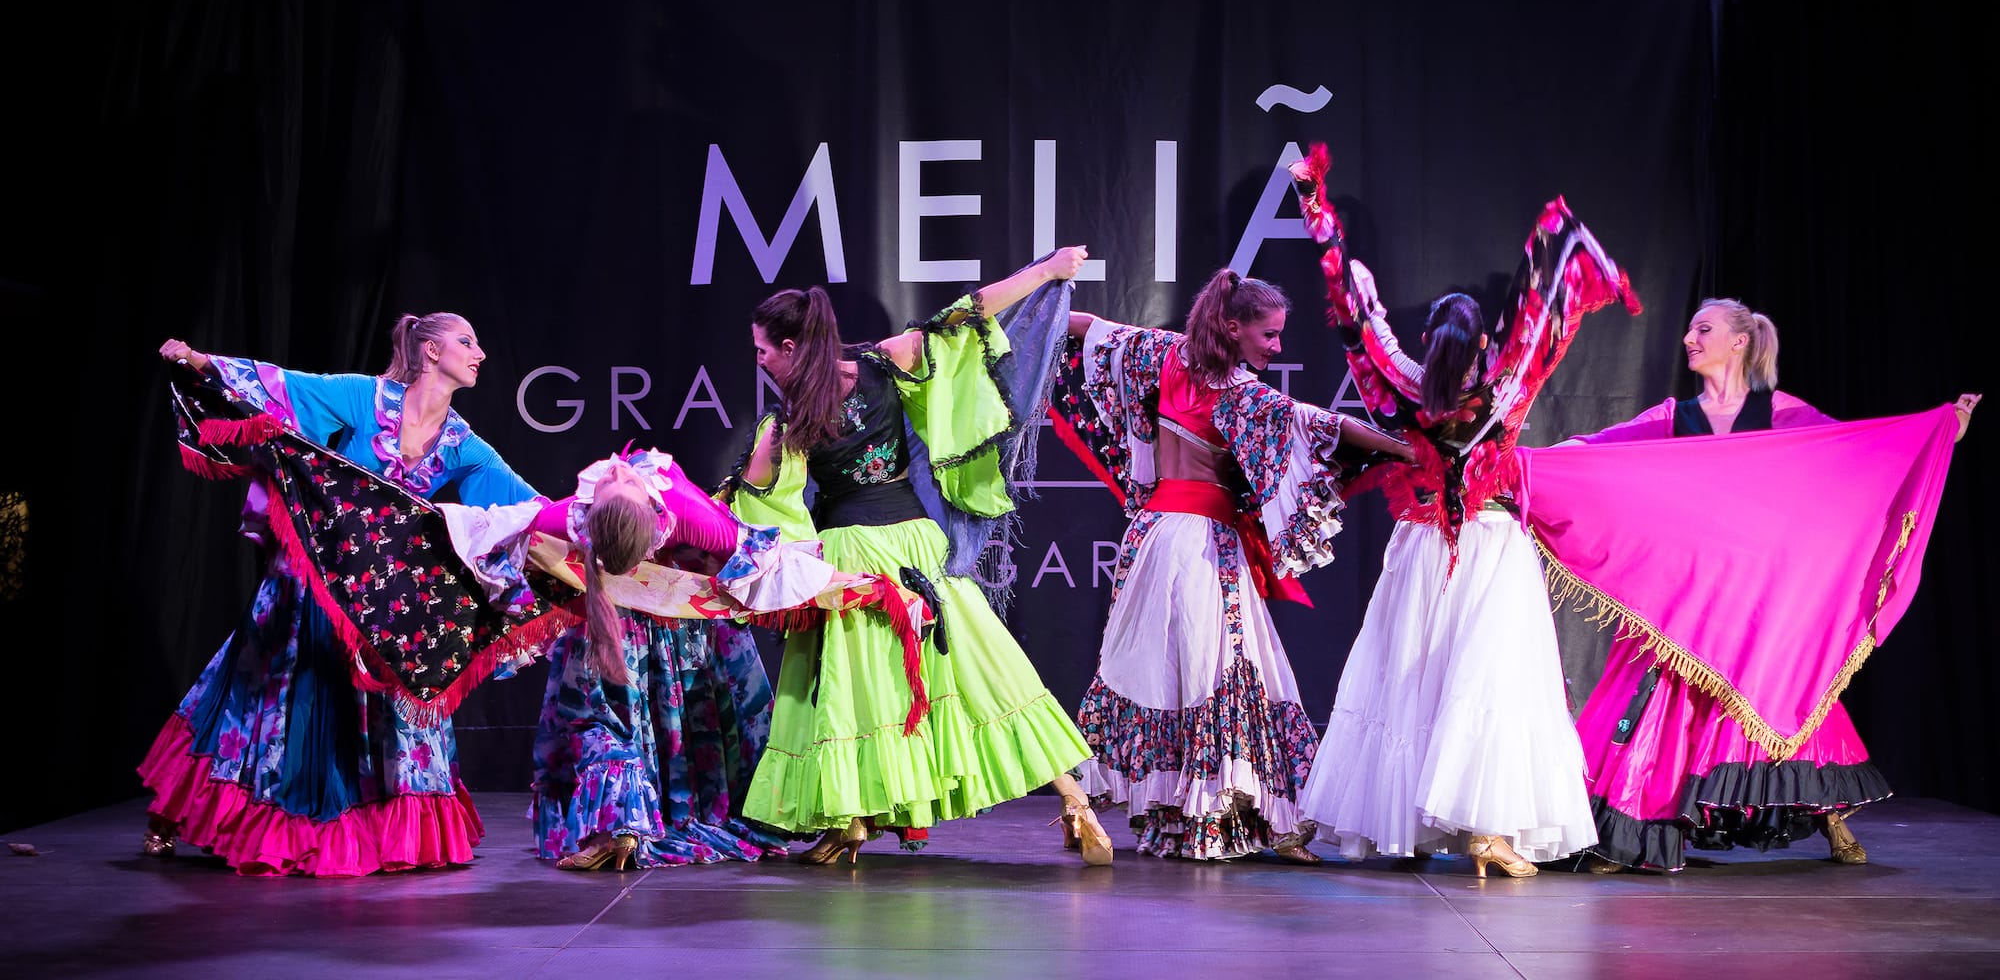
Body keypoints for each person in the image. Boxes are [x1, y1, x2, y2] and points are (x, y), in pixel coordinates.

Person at [1287, 145, 1635, 876]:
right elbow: (1540, 313)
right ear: (1482, 340)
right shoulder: (1508, 386)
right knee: (1490, 681)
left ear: (1427, 341)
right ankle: (1488, 832)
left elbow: (1354, 315)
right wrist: (1555, 240)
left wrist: (1317, 209)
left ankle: (1410, 826)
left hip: (1421, 550)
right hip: (1493, 547)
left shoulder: (1396, 384)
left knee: (1409, 684)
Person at [724, 247, 1114, 866]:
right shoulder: (883, 361)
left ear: (791, 348)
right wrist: (1047, 271)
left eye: (763, 350)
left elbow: (758, 512)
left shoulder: (787, 424)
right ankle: (1075, 800)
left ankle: (850, 822)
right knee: (982, 670)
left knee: (856, 692)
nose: (759, 361)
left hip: (853, 557)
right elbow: (969, 313)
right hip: (917, 542)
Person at [1561, 299, 1981, 871]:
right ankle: (1633, 830)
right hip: (1687, 588)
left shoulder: (1780, 412)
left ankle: (1829, 814)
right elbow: (1594, 450)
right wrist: (1535, 461)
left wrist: (1938, 432)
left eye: (1703, 329)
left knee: (1779, 694)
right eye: (1689, 329)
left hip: (1755, 591)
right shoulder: (1673, 416)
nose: (1689, 338)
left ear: (1739, 342)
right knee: (1661, 700)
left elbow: (1859, 451)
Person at [142, 313, 538, 876]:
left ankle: (377, 830)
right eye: (467, 342)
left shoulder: (461, 444)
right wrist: (200, 361)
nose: (480, 354)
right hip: (314, 580)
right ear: (431, 351)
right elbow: (283, 387)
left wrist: (601, 509)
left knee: (393, 705)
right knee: (265, 695)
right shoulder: (364, 399)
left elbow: (527, 506)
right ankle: (180, 812)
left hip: (384, 601)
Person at [1058, 270, 1412, 861]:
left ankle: (1101, 806)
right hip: (1199, 544)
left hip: (1151, 537)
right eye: (1268, 335)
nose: (1277, 346)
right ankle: (1235, 817)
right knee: (1221, 673)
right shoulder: (1241, 393)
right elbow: (1324, 426)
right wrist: (1405, 448)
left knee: (1155, 672)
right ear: (1231, 327)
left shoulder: (1161, 353)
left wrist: (1009, 322)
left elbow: (1090, 328)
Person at [483, 447, 837, 870]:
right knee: (603, 724)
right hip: (617, 622)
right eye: (616, 481)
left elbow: (760, 558)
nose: (617, 469)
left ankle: (621, 828)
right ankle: (622, 829)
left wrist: (843, 583)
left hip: (664, 622)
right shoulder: (657, 509)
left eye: (622, 479)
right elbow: (759, 555)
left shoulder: (664, 509)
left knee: (602, 719)